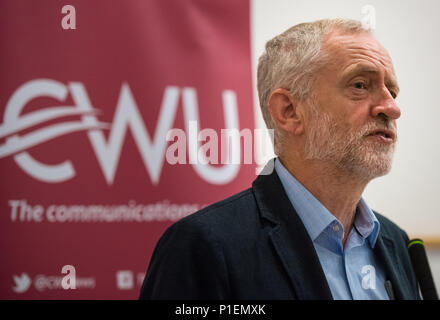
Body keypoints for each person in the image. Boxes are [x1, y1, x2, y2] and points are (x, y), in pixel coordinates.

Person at [139, 18, 420, 300]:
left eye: (392, 92)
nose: (392, 108)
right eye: (360, 85)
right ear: (288, 111)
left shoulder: (397, 243)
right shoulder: (203, 247)